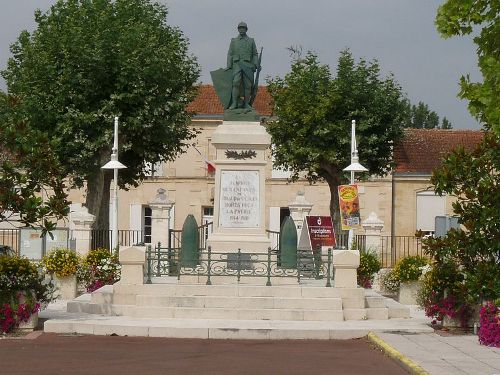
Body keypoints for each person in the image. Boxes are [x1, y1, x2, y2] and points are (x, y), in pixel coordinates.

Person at [225, 22, 259, 109]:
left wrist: (256, 64)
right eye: (240, 28)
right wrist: (229, 65)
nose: (241, 30)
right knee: (236, 83)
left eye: (243, 28)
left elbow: (255, 54)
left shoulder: (251, 41)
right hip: (237, 65)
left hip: (248, 65)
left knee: (248, 85)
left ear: (246, 29)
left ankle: (246, 104)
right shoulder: (234, 40)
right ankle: (234, 103)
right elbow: (230, 54)